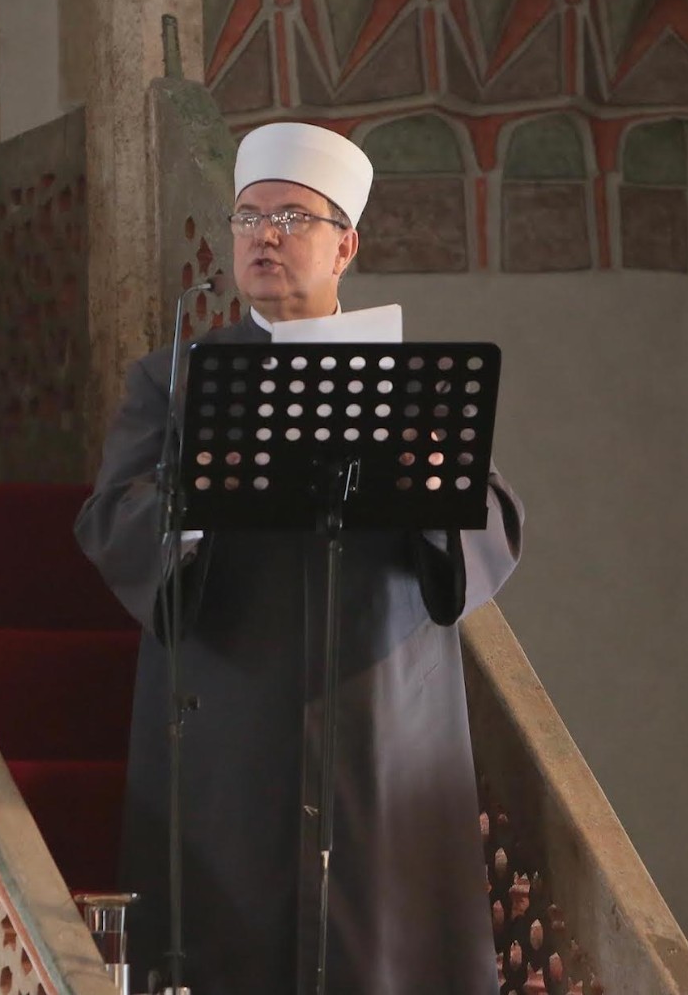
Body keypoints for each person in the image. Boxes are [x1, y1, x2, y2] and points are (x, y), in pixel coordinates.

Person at [74, 121, 524, 994]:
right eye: (248, 218)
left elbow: (494, 521)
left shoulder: (413, 383)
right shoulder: (175, 378)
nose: (264, 237)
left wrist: (433, 475)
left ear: (345, 245)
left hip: (379, 701)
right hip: (229, 699)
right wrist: (195, 494)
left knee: (379, 935)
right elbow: (110, 516)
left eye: (290, 218)